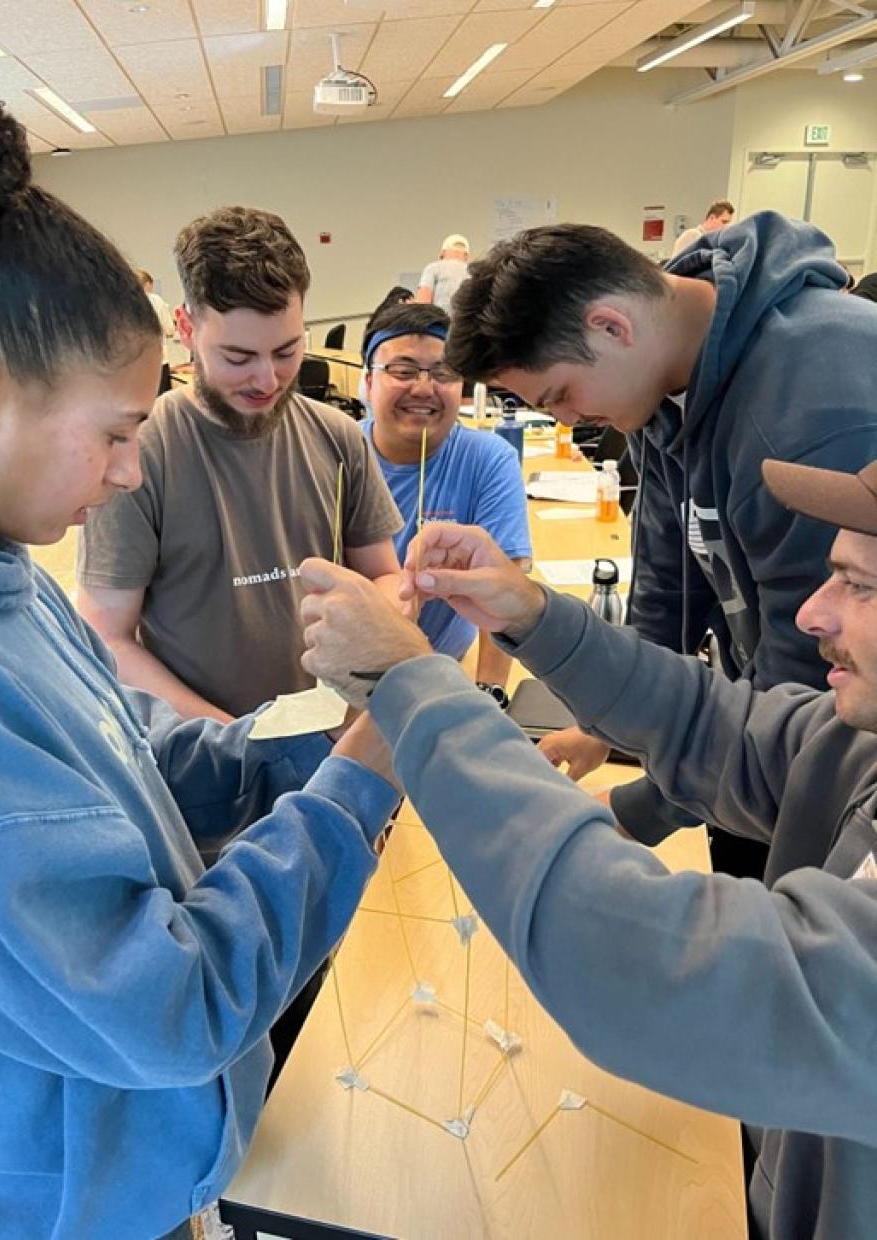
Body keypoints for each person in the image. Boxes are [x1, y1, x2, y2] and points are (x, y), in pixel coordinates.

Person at [0, 65, 400, 1240]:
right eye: (115, 435)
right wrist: (368, 776)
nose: (132, 471)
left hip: (144, 1164)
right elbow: (170, 1001)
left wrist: (307, 745)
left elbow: (135, 750)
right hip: (67, 1206)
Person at [295, 452, 877, 1238]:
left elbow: (665, 968)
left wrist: (414, 685)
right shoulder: (858, 740)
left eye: (860, 584)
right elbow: (715, 725)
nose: (813, 613)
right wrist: (530, 614)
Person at [442, 213, 877, 872]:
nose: (568, 421)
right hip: (752, 734)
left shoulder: (808, 412)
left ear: (613, 326)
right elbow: (666, 588)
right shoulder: (666, 376)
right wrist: (608, 724)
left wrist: (642, 806)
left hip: (816, 765)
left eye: (560, 395)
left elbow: (813, 696)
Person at [78, 206, 404, 724]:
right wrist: (235, 744)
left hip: (333, 740)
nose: (267, 380)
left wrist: (379, 619)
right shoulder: (137, 455)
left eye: (286, 351)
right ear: (185, 328)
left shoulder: (339, 437)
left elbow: (385, 577)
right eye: (237, 357)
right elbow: (107, 636)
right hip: (204, 758)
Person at [361, 301, 532, 700]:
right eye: (402, 372)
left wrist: (489, 695)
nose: (423, 388)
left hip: (442, 678)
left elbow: (501, 593)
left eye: (443, 373)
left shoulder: (488, 459)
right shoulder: (335, 453)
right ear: (368, 384)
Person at [135, 267, 177, 394]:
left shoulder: (124, 303)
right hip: (158, 361)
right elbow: (169, 329)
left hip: (135, 364)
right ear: (147, 284)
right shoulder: (155, 300)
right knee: (161, 403)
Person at [416, 233, 470, 312]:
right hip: (466, 323)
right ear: (466, 255)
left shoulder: (433, 268)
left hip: (440, 322)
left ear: (442, 253)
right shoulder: (475, 272)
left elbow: (422, 303)